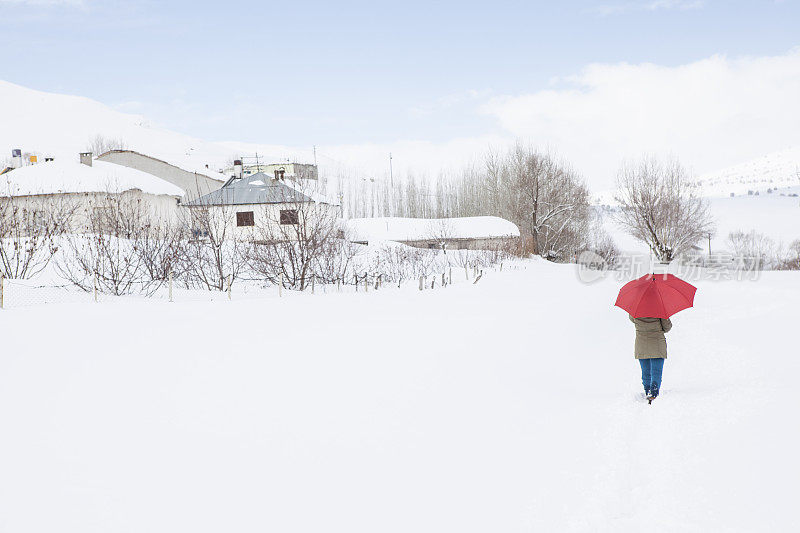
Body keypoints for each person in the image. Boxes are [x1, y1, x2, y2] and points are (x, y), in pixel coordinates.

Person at [629, 315, 672, 399]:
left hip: (641, 343)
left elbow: (632, 319)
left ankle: (647, 390)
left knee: (645, 371)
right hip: (657, 343)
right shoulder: (660, 309)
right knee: (656, 371)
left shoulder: (636, 309)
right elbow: (667, 327)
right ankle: (654, 391)